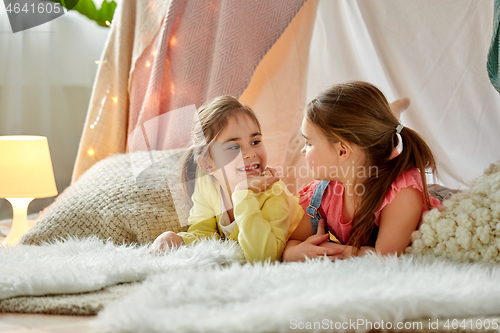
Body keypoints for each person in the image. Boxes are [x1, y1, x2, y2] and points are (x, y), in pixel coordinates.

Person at [282, 81, 441, 262]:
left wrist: (332, 251)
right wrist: (296, 252)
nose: (303, 151)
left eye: (309, 143)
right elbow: (292, 242)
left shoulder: (402, 193)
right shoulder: (324, 191)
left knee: (370, 158)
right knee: (366, 157)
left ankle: (388, 119)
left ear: (342, 151)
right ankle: (388, 117)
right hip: (363, 165)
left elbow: (386, 256)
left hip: (438, 196)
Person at [151, 96, 304, 263]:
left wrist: (242, 194)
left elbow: (265, 257)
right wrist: (177, 240)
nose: (250, 153)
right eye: (233, 147)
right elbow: (205, 234)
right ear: (208, 164)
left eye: (255, 141)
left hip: (320, 229)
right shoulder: (206, 186)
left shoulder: (273, 190)